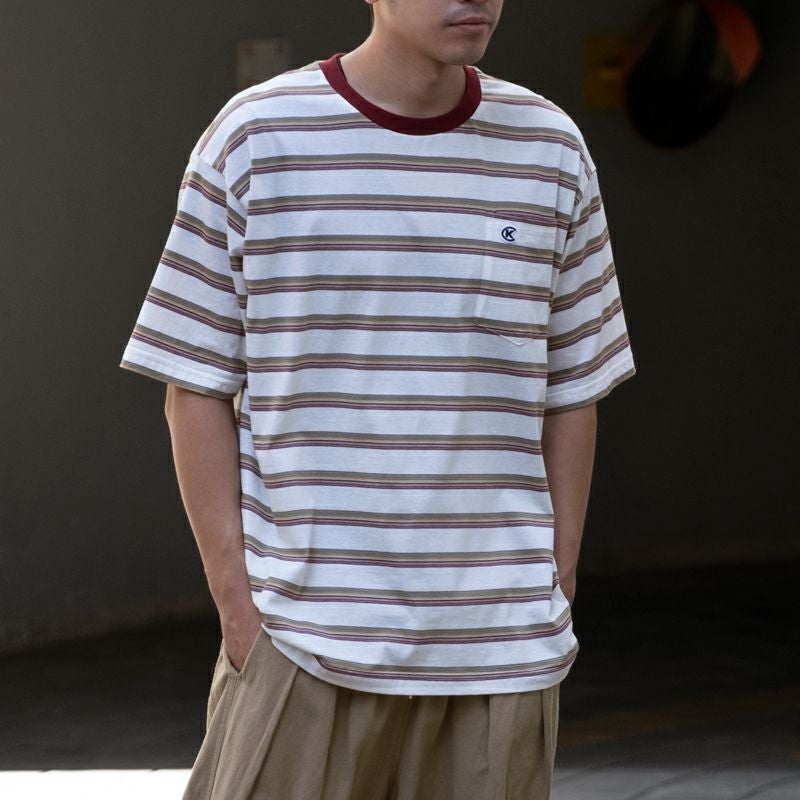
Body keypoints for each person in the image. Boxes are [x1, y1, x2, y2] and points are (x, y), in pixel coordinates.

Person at [119, 0, 636, 797]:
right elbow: (193, 384)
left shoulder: (550, 149)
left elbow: (573, 387)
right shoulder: (256, 138)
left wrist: (554, 584)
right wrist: (240, 612)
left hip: (500, 654)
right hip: (302, 646)